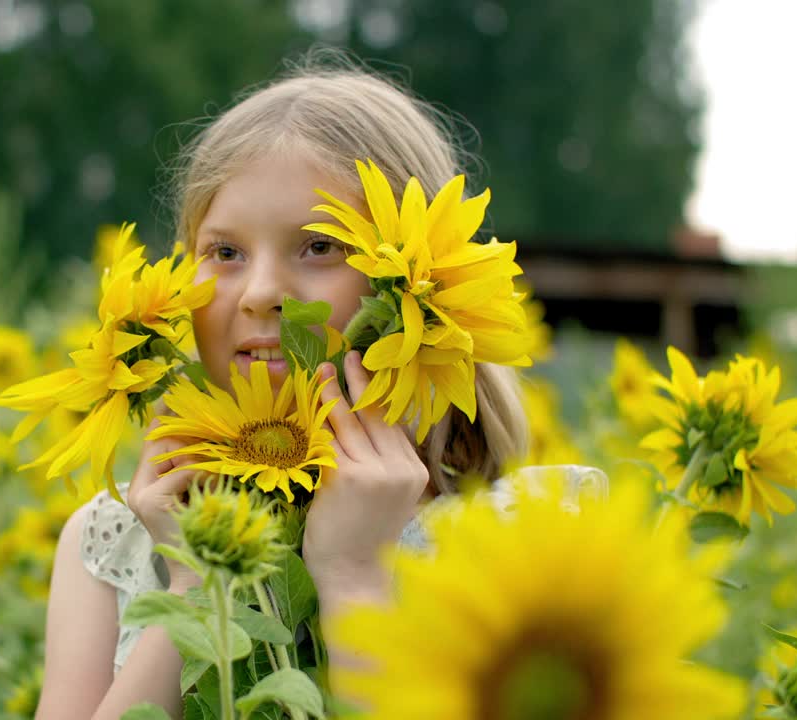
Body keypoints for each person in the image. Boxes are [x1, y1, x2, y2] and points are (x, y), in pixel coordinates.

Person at [36, 52, 533, 719]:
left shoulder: (509, 535)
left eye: (320, 246)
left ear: (415, 277)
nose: (262, 292)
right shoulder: (111, 543)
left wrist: (355, 575)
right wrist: (193, 583)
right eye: (226, 252)